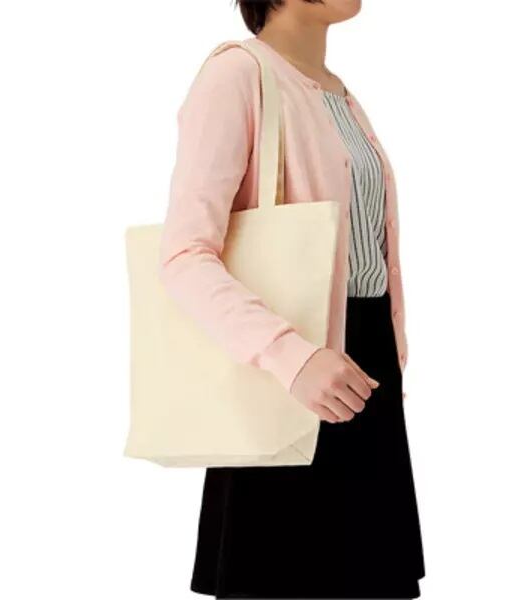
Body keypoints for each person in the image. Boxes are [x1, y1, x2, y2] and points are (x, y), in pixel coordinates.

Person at [158, 0, 426, 597]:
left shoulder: (340, 93)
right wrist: (290, 356)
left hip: (365, 374)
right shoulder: (236, 75)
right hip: (287, 376)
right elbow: (184, 257)